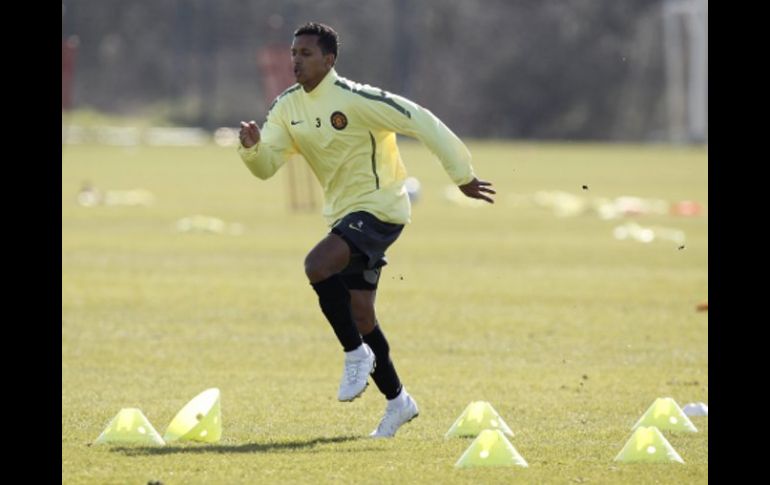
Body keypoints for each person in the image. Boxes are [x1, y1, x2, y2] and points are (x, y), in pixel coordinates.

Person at [237, 22, 495, 438]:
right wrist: (251, 148)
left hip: (382, 208)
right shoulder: (287, 108)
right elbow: (266, 167)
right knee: (361, 313)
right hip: (343, 215)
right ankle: (399, 402)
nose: (296, 61)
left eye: (305, 54)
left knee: (316, 265)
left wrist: (461, 174)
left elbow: (421, 121)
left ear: (329, 59)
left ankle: (355, 354)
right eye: (293, 53)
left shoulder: (356, 99)